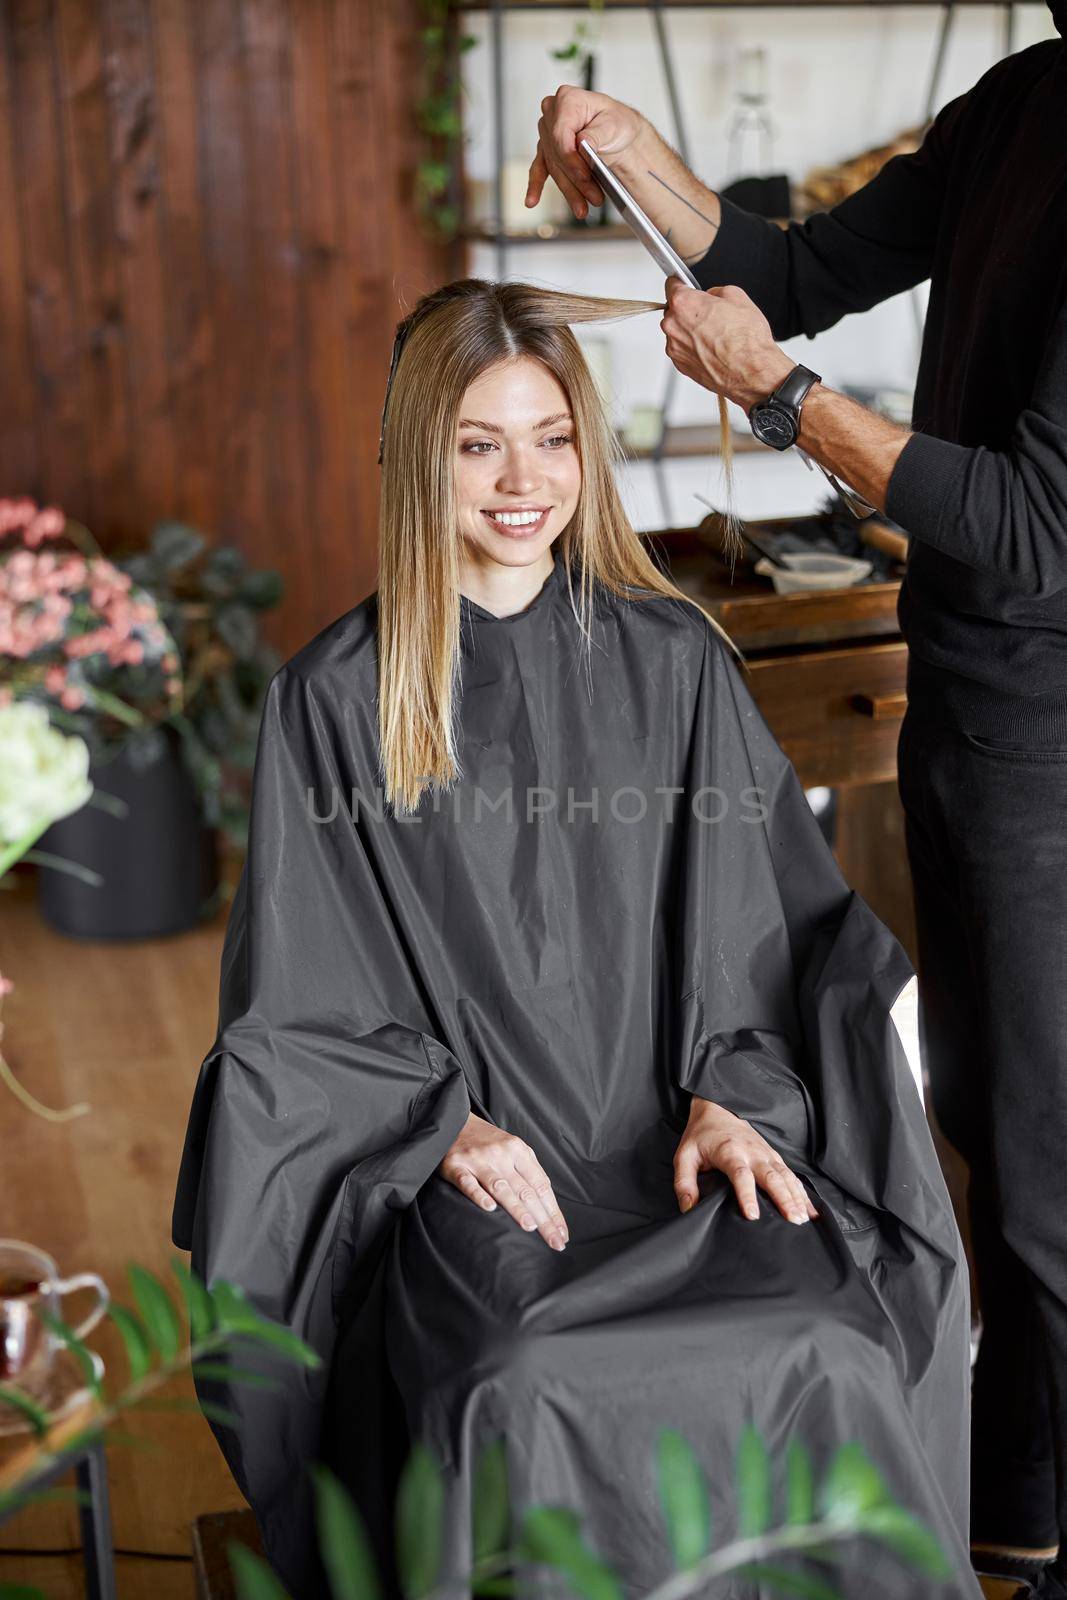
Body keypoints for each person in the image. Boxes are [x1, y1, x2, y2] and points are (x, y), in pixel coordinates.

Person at [172, 277, 982, 1600]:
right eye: (478, 442)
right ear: (413, 452)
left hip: (675, 1151)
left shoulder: (676, 661)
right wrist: (445, 1131)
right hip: (477, 1175)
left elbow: (772, 927)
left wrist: (737, 1094)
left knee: (829, 1341)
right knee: (516, 1380)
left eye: (550, 436)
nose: (520, 478)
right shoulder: (332, 703)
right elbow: (300, 1011)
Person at [524, 17, 1067, 1597]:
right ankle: (1014, 1519)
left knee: (1048, 1183)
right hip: (969, 687)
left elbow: (1035, 524)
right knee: (985, 1136)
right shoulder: (1029, 100)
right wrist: (636, 157)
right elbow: (795, 259)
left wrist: (780, 399)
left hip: (1054, 723)